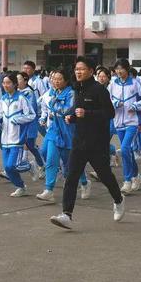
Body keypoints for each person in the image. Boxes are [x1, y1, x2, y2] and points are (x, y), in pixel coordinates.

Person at [50, 57, 124, 230]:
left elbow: (109, 113)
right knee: (71, 176)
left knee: (105, 175)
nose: (78, 72)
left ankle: (119, 200)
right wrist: (72, 116)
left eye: (82, 69)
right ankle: (66, 214)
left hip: (97, 143)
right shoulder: (78, 89)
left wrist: (87, 113)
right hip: (79, 141)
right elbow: (77, 109)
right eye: (76, 69)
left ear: (91, 71)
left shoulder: (99, 90)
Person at [36, 69, 91, 202]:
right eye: (54, 79)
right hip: (54, 130)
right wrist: (45, 116)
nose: (56, 81)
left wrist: (54, 108)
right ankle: (49, 190)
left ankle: (84, 182)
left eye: (59, 79)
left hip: (68, 131)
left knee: (71, 164)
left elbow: (67, 110)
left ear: (66, 80)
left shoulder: (71, 94)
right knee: (49, 158)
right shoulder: (52, 92)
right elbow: (44, 107)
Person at [108, 58, 141, 195]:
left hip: (132, 121)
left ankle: (127, 180)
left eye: (122, 69)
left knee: (125, 148)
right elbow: (107, 99)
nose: (119, 71)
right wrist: (115, 103)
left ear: (127, 69)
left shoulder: (136, 83)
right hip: (118, 121)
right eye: (117, 69)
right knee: (128, 151)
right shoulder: (113, 84)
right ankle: (136, 175)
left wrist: (135, 106)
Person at [0, 72, 36, 197]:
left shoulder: (22, 98)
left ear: (15, 84)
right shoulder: (4, 99)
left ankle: (28, 166)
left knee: (11, 166)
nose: (5, 85)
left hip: (17, 137)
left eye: (8, 83)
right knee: (8, 168)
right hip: (5, 138)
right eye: (4, 83)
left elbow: (31, 115)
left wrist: (18, 119)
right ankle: (21, 187)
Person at [16, 71, 44, 180]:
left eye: (18, 79)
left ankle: (41, 165)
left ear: (25, 81)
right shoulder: (17, 93)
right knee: (20, 146)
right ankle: (13, 169)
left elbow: (29, 111)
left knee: (31, 146)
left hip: (29, 124)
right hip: (19, 125)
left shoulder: (29, 93)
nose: (17, 82)